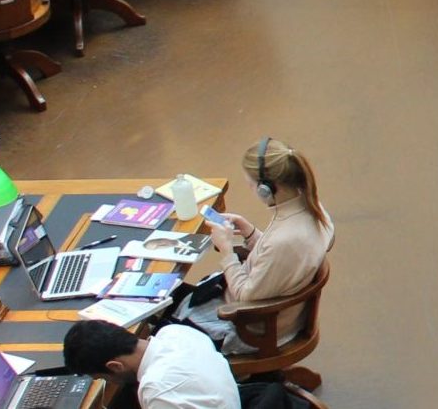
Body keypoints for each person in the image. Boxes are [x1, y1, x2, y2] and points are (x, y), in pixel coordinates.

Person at [186, 138, 334, 353]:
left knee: (168, 325)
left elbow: (245, 296)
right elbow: (280, 258)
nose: (250, 189)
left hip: (255, 327)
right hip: (283, 312)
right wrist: (250, 231)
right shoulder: (310, 208)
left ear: (265, 189)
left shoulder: (284, 239)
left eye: (250, 184)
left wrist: (227, 251)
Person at [60, 321, 239, 409]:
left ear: (115, 366)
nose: (110, 382)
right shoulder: (176, 331)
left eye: (103, 377)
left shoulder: (157, 387)